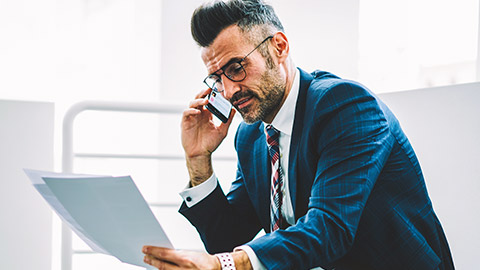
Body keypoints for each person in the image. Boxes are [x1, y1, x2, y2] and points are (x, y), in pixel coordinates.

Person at [142, 0, 455, 269]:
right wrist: (198, 161)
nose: (228, 90)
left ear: (279, 47)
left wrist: (225, 264)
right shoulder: (251, 137)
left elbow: (329, 227)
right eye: (217, 78)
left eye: (236, 67)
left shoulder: (345, 105)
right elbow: (226, 238)